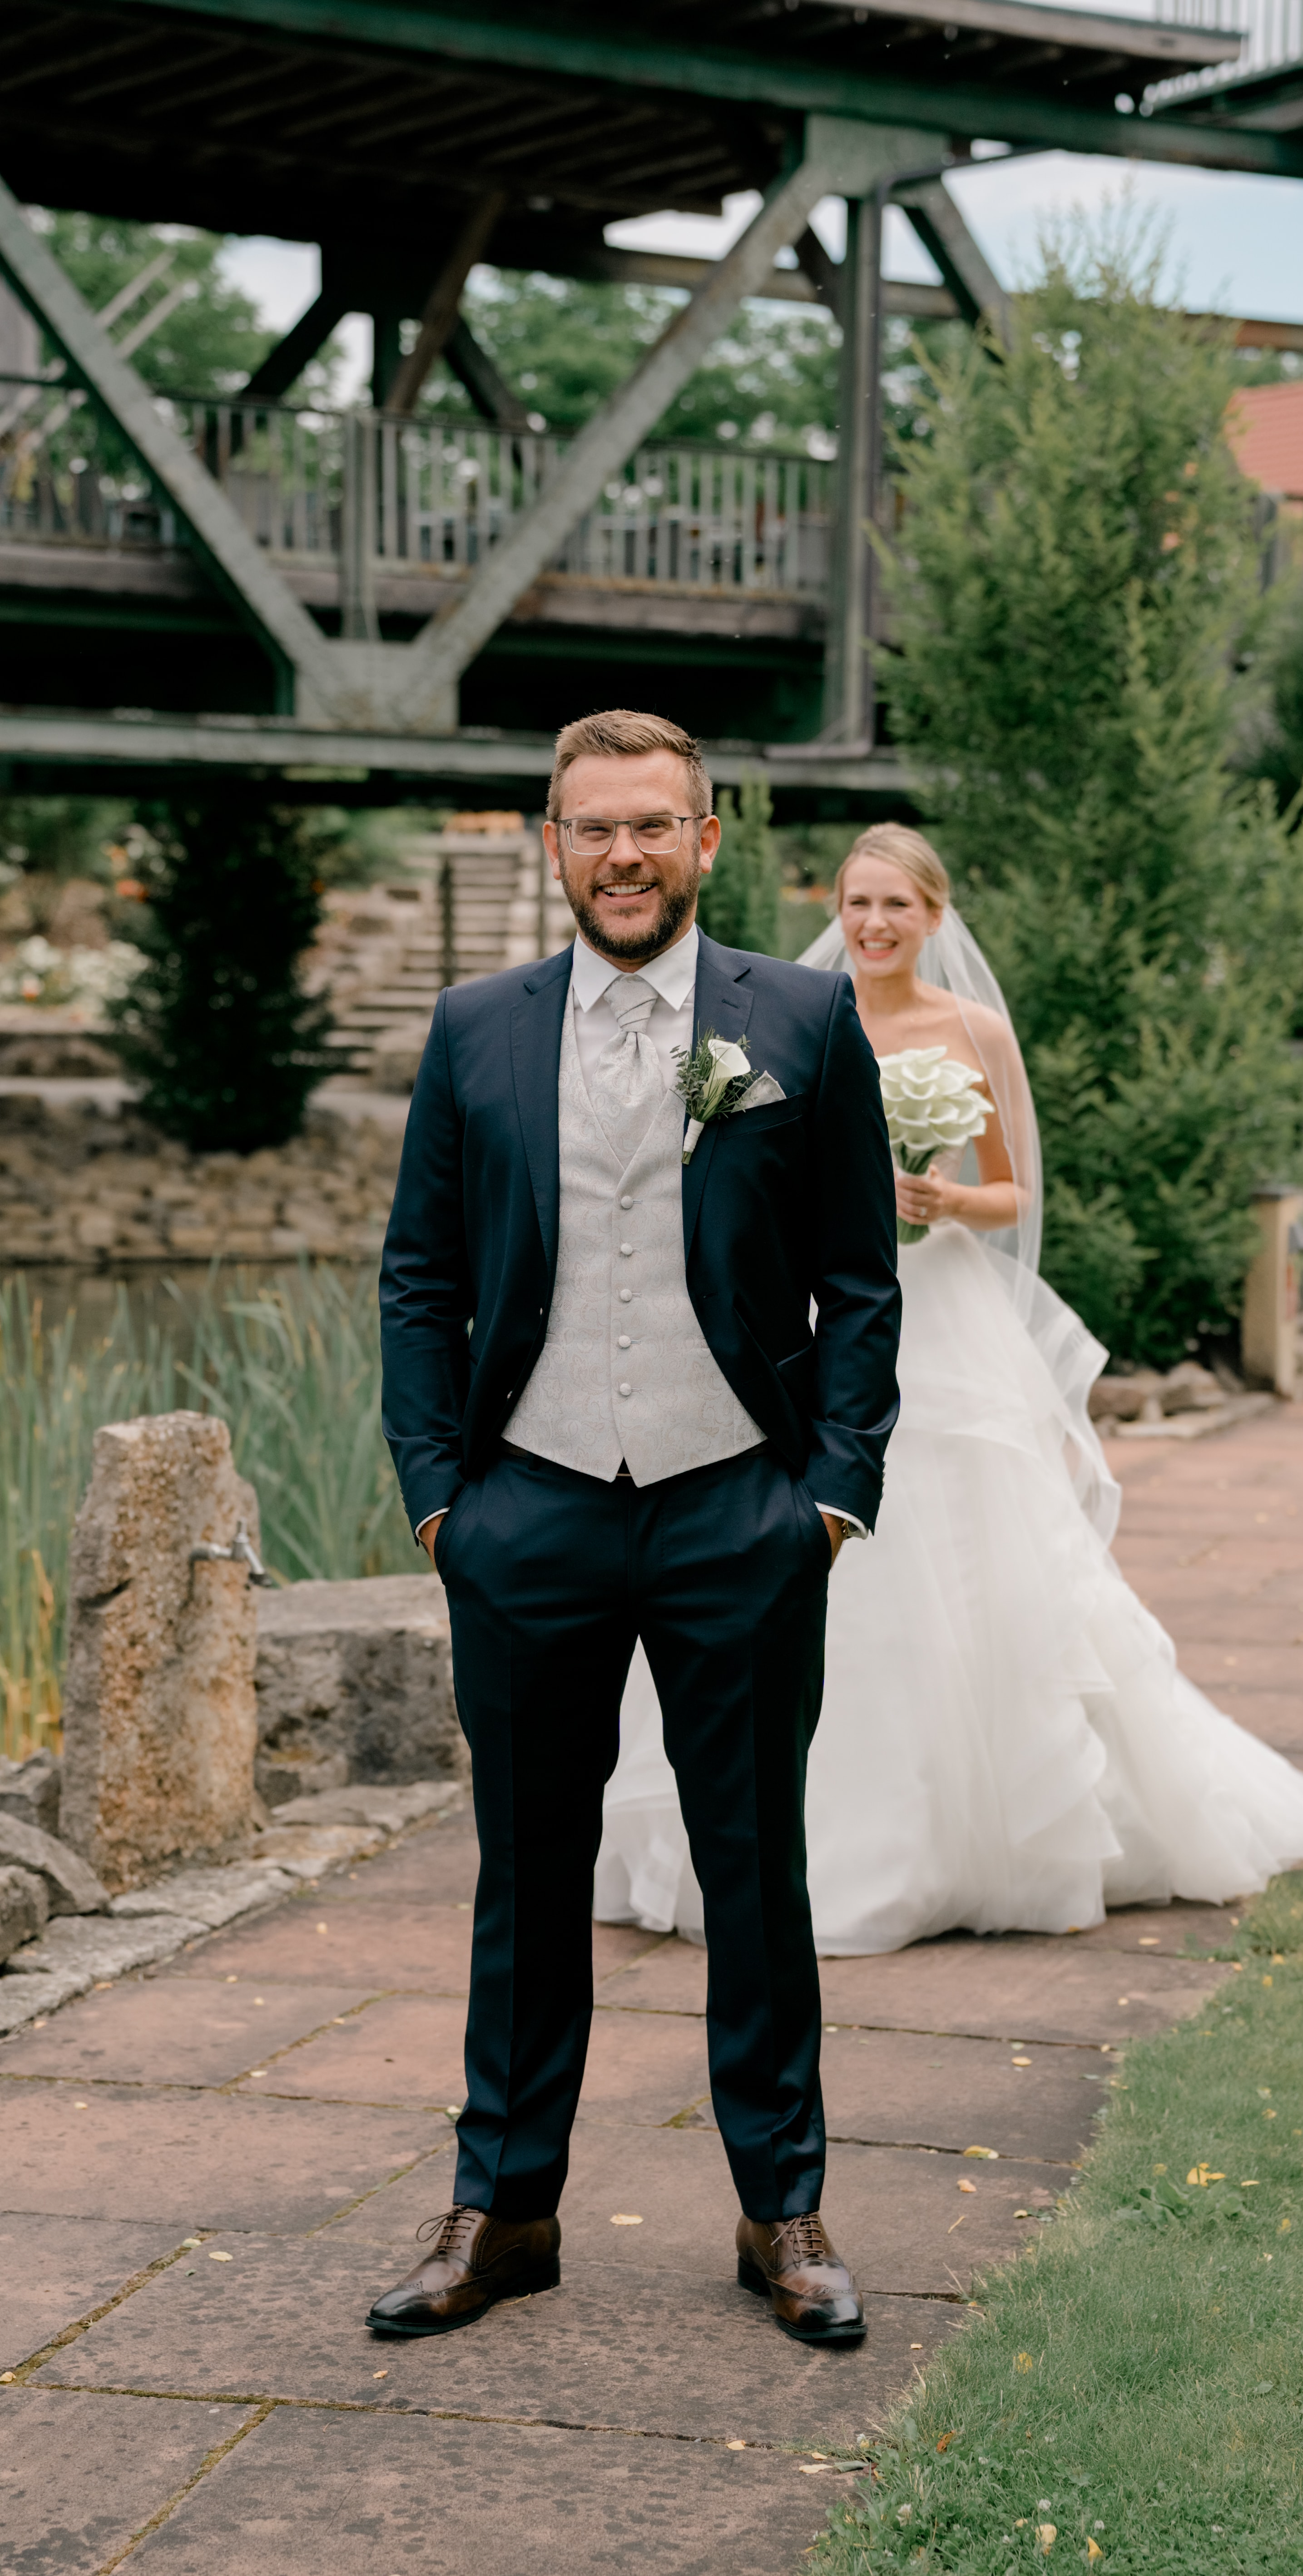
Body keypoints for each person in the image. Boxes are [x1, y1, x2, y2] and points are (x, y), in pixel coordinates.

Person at [372, 712, 901, 2347]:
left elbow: (862, 1277)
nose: (624, 855)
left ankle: (783, 2213)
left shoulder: (800, 1018)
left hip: (737, 1507)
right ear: (552, 844)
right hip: (525, 1511)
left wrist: (829, 1491)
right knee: (526, 1879)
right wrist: (441, 1497)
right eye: (593, 828)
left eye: (654, 827)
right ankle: (506, 2210)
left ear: (707, 842)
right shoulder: (475, 1029)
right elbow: (421, 1279)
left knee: (756, 1869)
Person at [595, 824, 1303, 1957]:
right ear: (836, 910)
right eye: (856, 903)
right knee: (791, 1562)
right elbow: (735, 1169)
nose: (873, 925)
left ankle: (978, 1837)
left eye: (896, 905)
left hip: (942, 1321)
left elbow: (1018, 1193)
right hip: (813, 1317)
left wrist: (943, 1202)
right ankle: (780, 1837)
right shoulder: (790, 1012)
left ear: (934, 917)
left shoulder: (974, 1032)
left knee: (964, 1556)